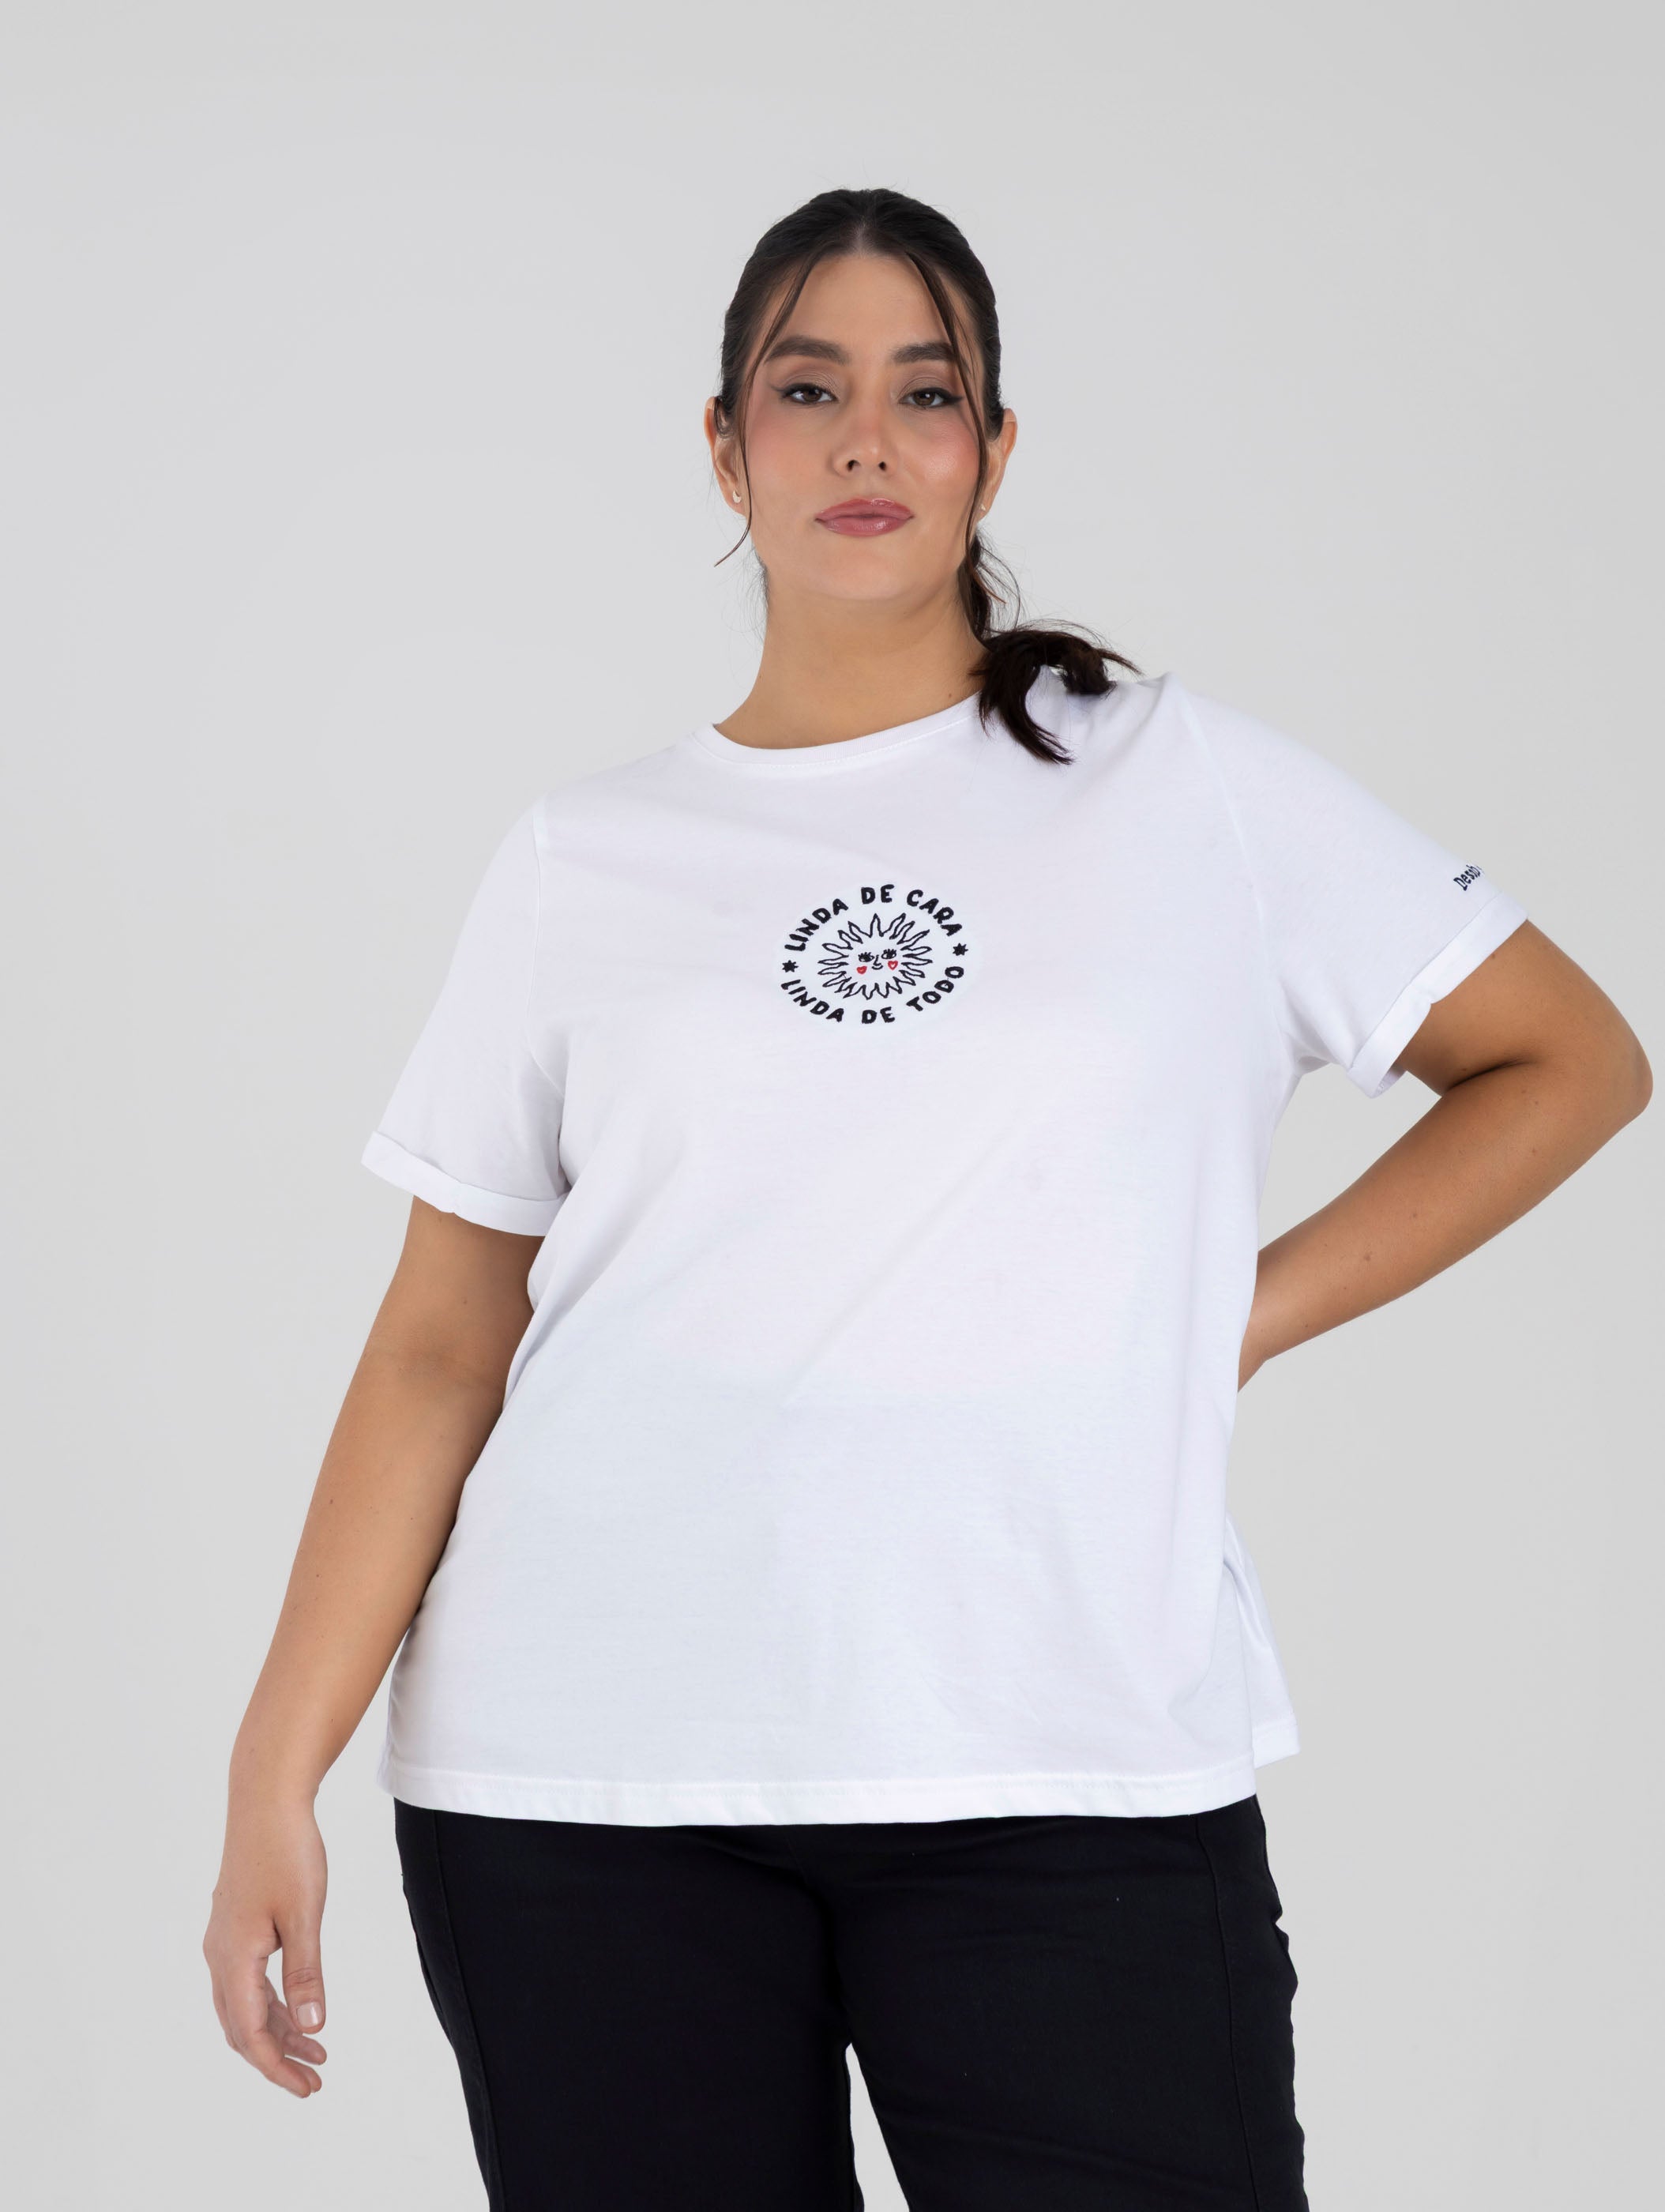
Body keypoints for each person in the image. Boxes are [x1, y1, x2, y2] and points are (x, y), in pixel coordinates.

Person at [202, 187, 1650, 2211]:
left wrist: (1231, 1310)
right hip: (585, 1776)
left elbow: (1570, 1057)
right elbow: (443, 1339)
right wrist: (273, 1767)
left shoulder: (1185, 787)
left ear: (995, 446)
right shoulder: (582, 859)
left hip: (1063, 1753)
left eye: (925, 391)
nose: (866, 439)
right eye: (807, 390)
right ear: (726, 447)